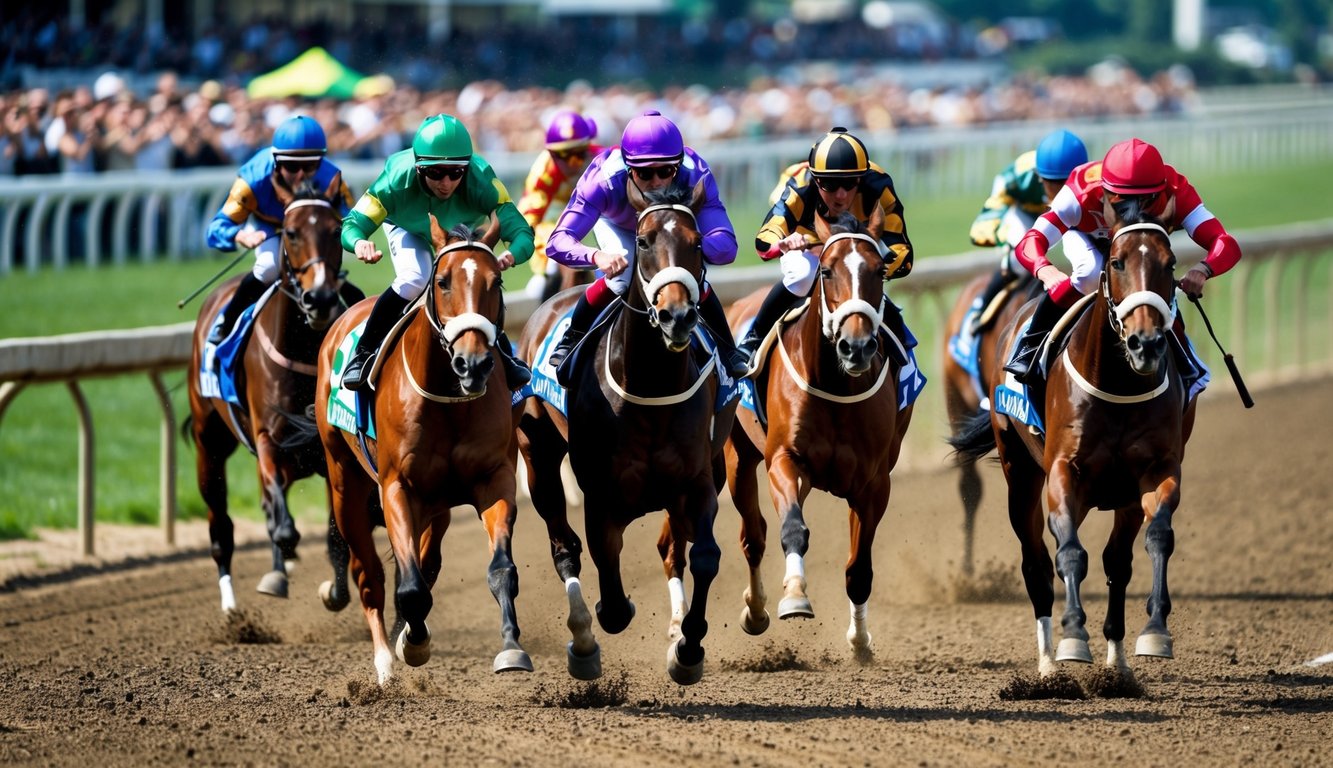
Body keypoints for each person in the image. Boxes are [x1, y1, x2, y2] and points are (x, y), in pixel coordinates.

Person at [1004, 137, 1242, 384]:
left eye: (1145, 200)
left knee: (1157, 280)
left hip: (1142, 248)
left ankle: (1185, 360)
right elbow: (1031, 240)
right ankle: (1030, 347)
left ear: (1159, 191)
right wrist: (1045, 271)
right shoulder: (1080, 192)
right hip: (1086, 236)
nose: (1134, 208)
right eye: (1122, 200)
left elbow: (1225, 242)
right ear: (1105, 192)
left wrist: (1203, 269)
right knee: (1089, 274)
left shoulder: (1177, 192)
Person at [544, 109, 747, 378]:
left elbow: (726, 246)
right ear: (628, 168)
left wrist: (690, 248)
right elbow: (558, 241)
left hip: (672, 228)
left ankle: (727, 348)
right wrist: (595, 256)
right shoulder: (602, 181)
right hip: (620, 226)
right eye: (644, 173)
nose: (657, 183)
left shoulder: (696, 174)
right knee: (621, 279)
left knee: (687, 274)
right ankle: (573, 337)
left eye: (666, 171)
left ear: (678, 164)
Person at [339, 113, 535, 391]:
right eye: (435, 173)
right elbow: (353, 224)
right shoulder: (395, 179)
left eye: (456, 173)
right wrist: (359, 242)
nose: (446, 182)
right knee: (415, 278)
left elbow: (522, 233)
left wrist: (512, 254)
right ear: (419, 168)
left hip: (459, 231)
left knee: (480, 279)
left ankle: (504, 354)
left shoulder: (482, 180)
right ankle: (364, 352)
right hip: (407, 228)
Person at [738, 127, 914, 368]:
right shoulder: (800, 186)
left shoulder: (879, 185)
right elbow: (765, 239)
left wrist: (872, 268)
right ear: (816, 179)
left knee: (861, 278)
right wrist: (784, 243)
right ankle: (753, 339)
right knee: (802, 275)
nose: (840, 195)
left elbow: (903, 252)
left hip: (857, 246)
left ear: (861, 179)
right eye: (830, 184)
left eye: (850, 183)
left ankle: (905, 365)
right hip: (807, 242)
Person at [205, 114, 356, 344]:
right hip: (269, 226)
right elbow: (216, 228)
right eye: (292, 166)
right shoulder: (252, 180)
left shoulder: (333, 178)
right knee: (268, 267)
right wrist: (240, 234)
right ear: (276, 161)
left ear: (321, 162)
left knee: (329, 271)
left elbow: (351, 221)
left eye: (310, 165)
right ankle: (226, 322)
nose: (300, 175)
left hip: (309, 230)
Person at [964, 129, 1093, 336]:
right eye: (1054, 184)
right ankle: (981, 305)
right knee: (1019, 260)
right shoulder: (1022, 172)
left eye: (1066, 183)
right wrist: (989, 221)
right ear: (1039, 178)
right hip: (1027, 215)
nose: (1062, 192)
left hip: (1068, 217)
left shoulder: (1089, 179)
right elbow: (1001, 191)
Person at [517, 110, 604, 298]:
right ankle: (546, 284)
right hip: (557, 219)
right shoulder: (544, 170)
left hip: (596, 216)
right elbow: (530, 213)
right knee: (550, 253)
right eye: (560, 155)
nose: (571, 163)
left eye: (578, 155)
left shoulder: (601, 160)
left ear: (589, 147)